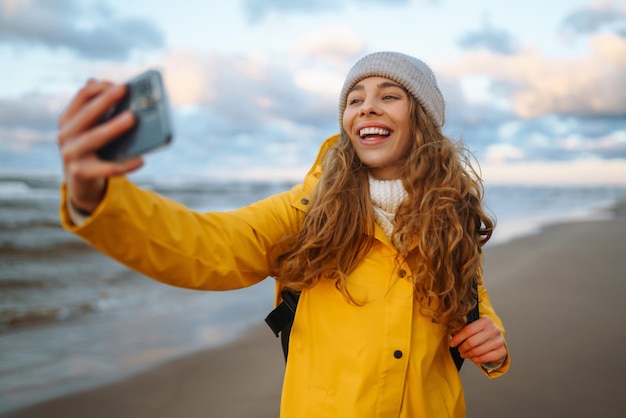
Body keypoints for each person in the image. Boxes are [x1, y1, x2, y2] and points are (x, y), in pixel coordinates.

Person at [58, 51, 509, 417]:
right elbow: (210, 246)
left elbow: (473, 302)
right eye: (354, 100)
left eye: (389, 95)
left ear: (423, 119)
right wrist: (98, 199)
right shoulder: (308, 212)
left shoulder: (454, 218)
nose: (367, 106)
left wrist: (492, 344)